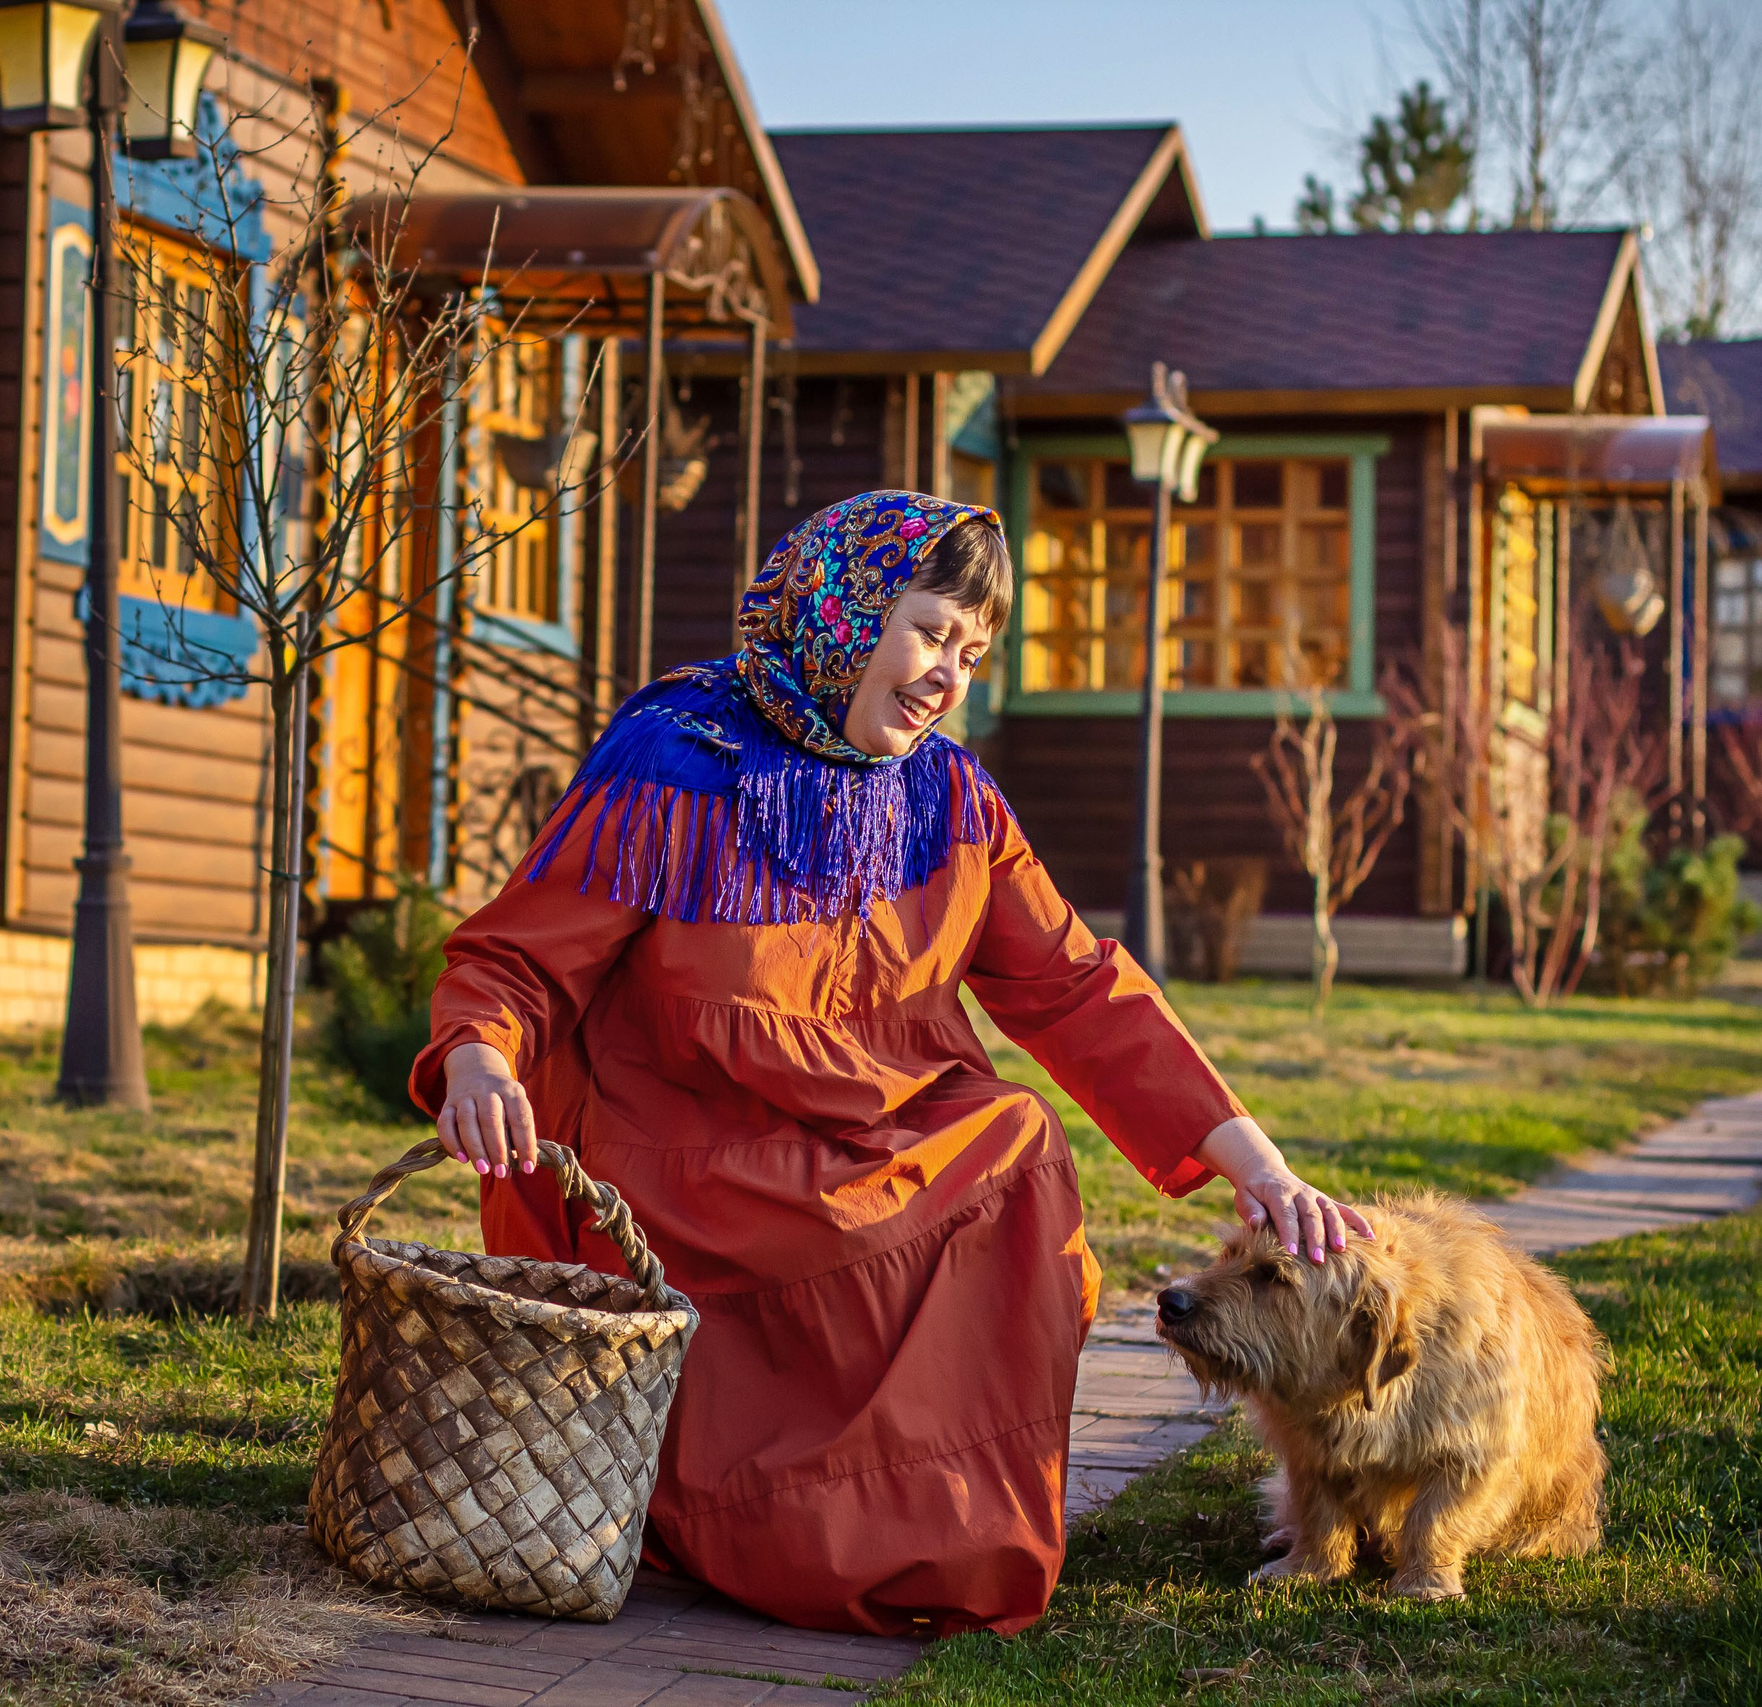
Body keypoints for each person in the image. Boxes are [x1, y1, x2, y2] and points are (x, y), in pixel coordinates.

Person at [408, 489, 1372, 1639]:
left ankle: (940, 1534)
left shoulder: (951, 799)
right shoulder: (677, 759)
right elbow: (521, 956)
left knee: (1013, 1146)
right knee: (911, 1197)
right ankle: (752, 1528)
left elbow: (1073, 984)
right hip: (693, 1158)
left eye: (973, 651)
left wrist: (1249, 1161)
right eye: (929, 631)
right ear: (843, 609)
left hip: (876, 1137)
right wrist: (478, 1059)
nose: (947, 676)